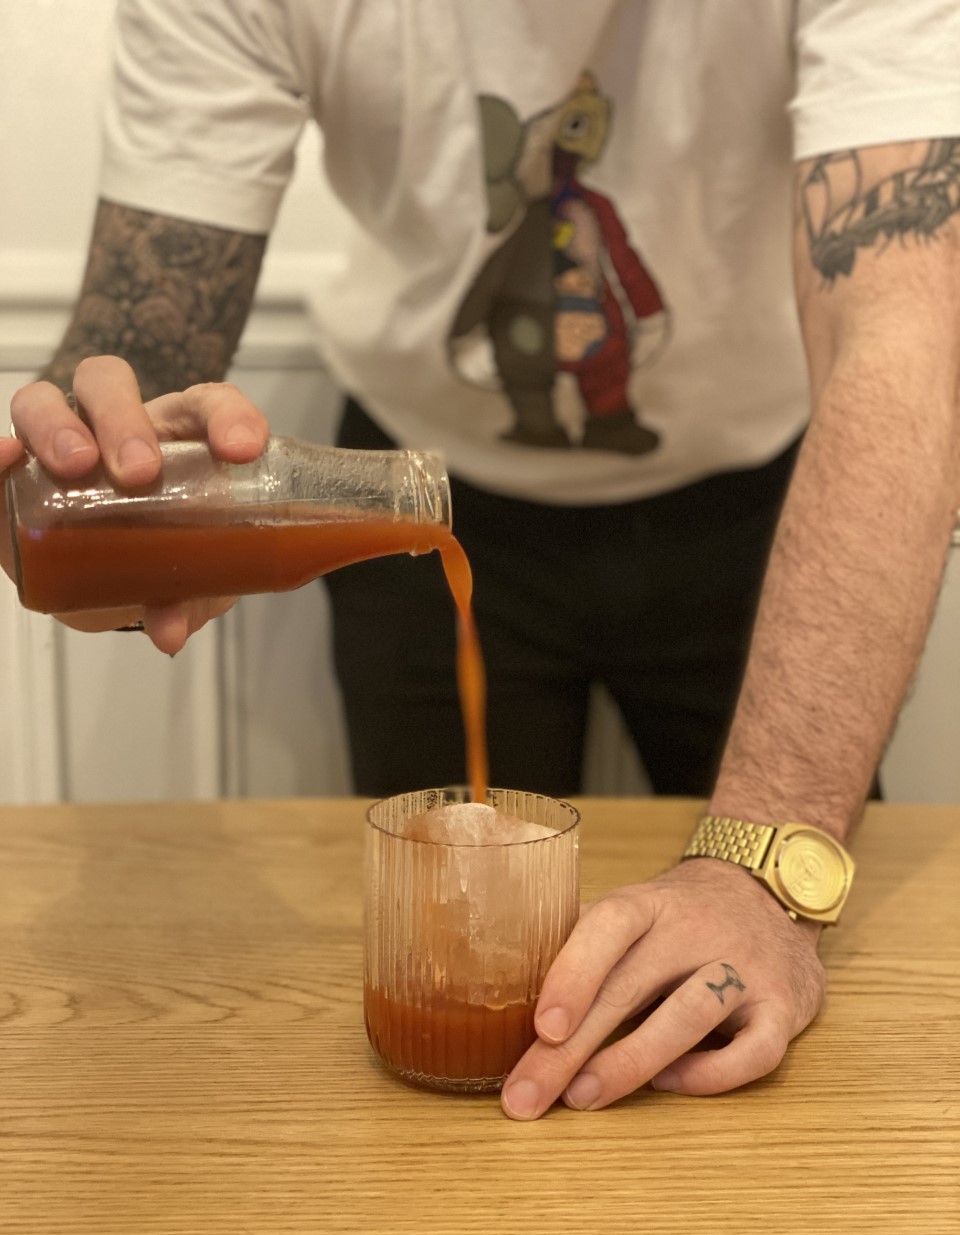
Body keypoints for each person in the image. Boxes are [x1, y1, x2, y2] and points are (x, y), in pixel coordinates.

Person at [4, 0, 960, 1120]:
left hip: (764, 512)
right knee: (448, 991)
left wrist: (758, 871)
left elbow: (907, 344)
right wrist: (100, 461)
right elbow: (142, 348)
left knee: (766, 1000)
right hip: (417, 524)